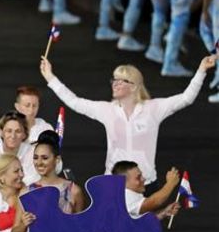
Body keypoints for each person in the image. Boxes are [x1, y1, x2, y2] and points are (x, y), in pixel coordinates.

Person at [40, 55, 216, 186]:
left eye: (121, 80)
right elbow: (74, 101)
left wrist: (201, 70)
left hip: (144, 183)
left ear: (134, 86)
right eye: (114, 80)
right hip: (113, 184)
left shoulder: (153, 108)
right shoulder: (106, 110)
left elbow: (186, 98)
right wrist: (50, 77)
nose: (115, 84)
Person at [0, 110, 37, 199]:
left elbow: (31, 187)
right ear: (1, 132)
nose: (13, 136)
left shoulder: (33, 153)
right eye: (9, 131)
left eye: (18, 131)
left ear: (24, 135)